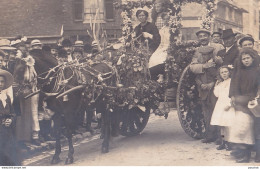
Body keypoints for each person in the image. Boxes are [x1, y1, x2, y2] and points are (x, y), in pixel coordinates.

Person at [228, 47, 259, 163]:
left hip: (253, 102)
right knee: (242, 128)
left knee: (251, 129)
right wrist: (233, 97)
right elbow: (234, 87)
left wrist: (256, 98)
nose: (246, 61)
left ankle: (251, 154)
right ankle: (244, 155)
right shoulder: (239, 72)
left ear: (253, 58)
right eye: (243, 59)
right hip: (241, 102)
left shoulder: (257, 71)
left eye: (248, 58)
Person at [190, 45, 222, 143]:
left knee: (215, 113)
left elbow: (218, 78)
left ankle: (218, 136)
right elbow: (196, 78)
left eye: (206, 55)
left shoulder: (214, 65)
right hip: (203, 93)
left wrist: (210, 85)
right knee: (206, 114)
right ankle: (209, 136)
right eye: (203, 55)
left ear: (210, 55)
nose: (204, 57)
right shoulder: (202, 66)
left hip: (213, 93)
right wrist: (201, 84)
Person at [210, 66, 235, 150]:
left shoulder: (232, 82)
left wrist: (230, 104)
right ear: (220, 74)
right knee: (222, 125)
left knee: (228, 125)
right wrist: (216, 85)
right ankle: (223, 142)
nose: (224, 74)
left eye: (226, 72)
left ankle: (229, 142)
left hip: (228, 104)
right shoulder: (220, 83)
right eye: (222, 72)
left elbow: (233, 95)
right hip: (220, 105)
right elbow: (217, 94)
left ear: (229, 72)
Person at [0, 69, 19, 165]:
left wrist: (10, 119)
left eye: (2, 82)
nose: (0, 84)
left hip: (8, 133)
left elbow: (13, 113)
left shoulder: (6, 97)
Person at [149, 12, 170, 81]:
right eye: (164, 19)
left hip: (170, 47)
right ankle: (156, 76)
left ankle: (162, 75)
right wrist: (159, 49)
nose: (166, 21)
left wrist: (168, 48)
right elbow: (161, 42)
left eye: (168, 19)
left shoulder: (173, 29)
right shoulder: (162, 30)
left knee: (163, 58)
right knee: (153, 57)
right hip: (162, 47)